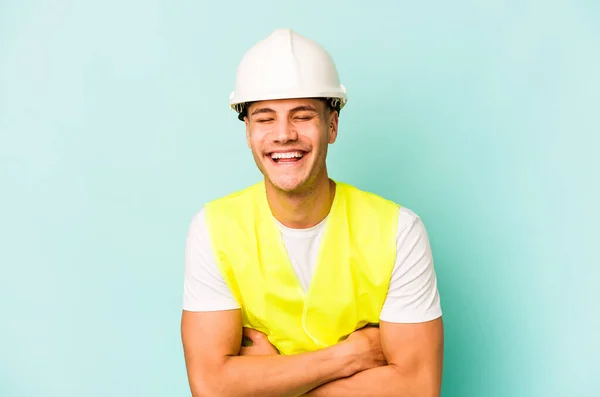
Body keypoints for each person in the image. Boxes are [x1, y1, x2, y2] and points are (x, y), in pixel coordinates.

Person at [180, 28, 444, 397]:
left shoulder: (398, 230)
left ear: (332, 125)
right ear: (248, 131)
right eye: (265, 118)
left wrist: (263, 383)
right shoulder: (214, 228)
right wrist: (349, 356)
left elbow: (417, 388)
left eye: (302, 116)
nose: (283, 134)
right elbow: (211, 387)